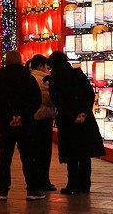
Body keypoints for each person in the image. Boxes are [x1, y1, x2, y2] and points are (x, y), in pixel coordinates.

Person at [45, 51, 105, 194]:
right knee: (85, 153)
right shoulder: (78, 74)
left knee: (71, 154)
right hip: (85, 119)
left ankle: (73, 185)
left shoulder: (55, 79)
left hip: (68, 121)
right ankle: (85, 184)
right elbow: (89, 94)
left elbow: (58, 102)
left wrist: (72, 117)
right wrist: (83, 112)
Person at [0, 50, 44, 200]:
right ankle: (32, 190)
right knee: (29, 158)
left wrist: (8, 117)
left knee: (4, 159)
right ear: (20, 61)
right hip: (26, 126)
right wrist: (22, 116)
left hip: (6, 126)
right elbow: (36, 100)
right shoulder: (29, 79)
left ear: (6, 62)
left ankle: (2, 191)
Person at [29, 55, 57, 192]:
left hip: (33, 118)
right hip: (43, 117)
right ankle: (43, 180)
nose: (47, 69)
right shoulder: (42, 80)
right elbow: (49, 99)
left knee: (35, 151)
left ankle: (37, 180)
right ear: (40, 66)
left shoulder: (29, 77)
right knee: (44, 151)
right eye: (46, 66)